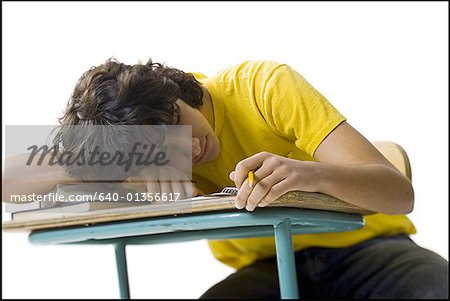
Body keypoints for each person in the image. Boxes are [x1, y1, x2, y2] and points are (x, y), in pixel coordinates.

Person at [5, 58, 448, 299]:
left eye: (180, 123)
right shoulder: (138, 151)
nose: (193, 149)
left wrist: (311, 174)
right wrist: (111, 157)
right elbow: (8, 182)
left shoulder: (262, 87)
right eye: (169, 146)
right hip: (266, 269)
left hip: (370, 248)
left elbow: (399, 192)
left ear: (177, 90)